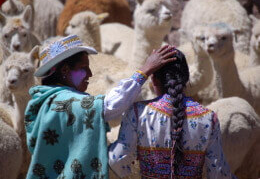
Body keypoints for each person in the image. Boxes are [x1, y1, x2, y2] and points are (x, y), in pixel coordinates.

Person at [24, 34, 177, 179]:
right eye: (84, 68)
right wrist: (145, 70)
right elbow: (110, 106)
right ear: (65, 70)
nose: (90, 74)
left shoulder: (46, 100)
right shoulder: (65, 102)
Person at [109, 48, 237, 179]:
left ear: (153, 80)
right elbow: (218, 173)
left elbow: (116, 160)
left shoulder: (138, 113)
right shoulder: (208, 118)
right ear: (186, 79)